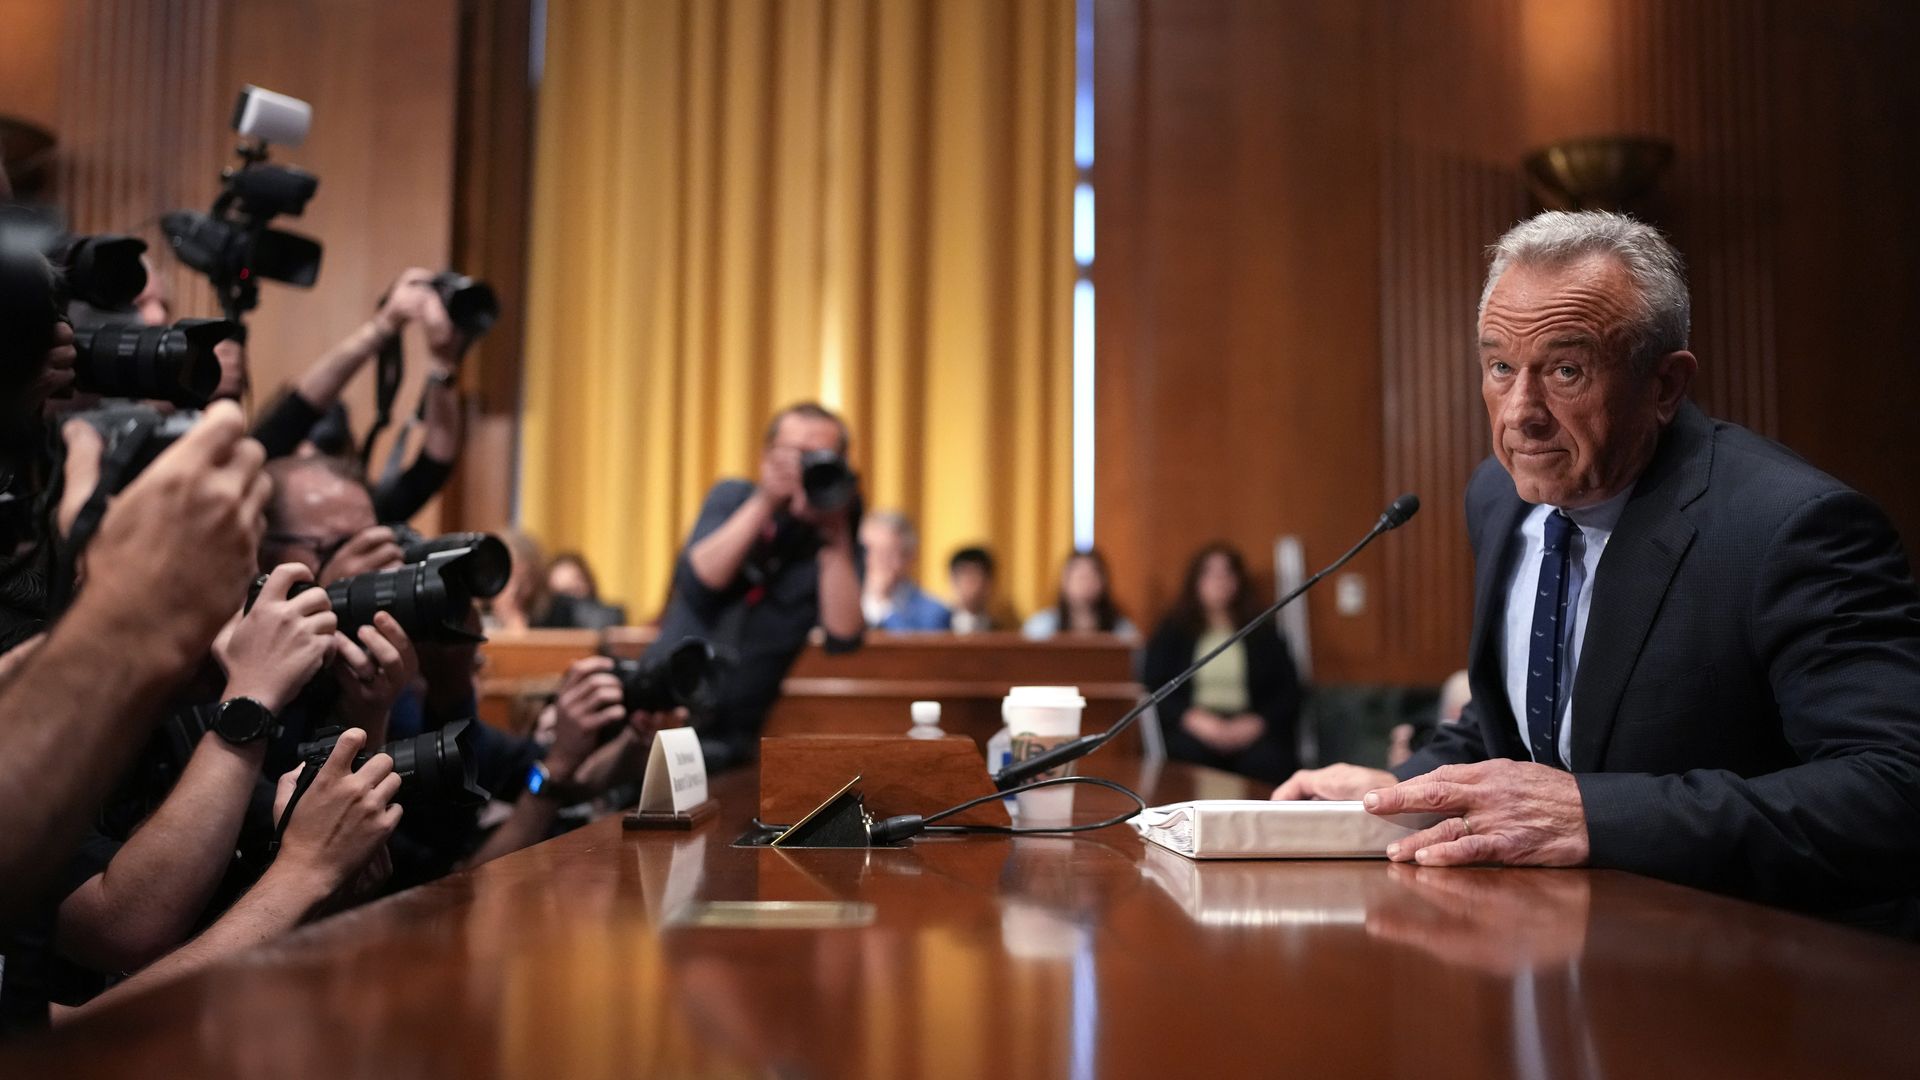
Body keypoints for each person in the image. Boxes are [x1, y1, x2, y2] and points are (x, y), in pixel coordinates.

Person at [1274, 211, 1920, 934]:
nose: (1522, 414)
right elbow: (1521, 724)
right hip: (1552, 943)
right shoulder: (1498, 497)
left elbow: (1895, 787)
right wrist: (1396, 791)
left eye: (1565, 371)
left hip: (1756, 958)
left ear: (1665, 385)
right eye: (1500, 367)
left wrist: (1598, 814)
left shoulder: (1790, 527)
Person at [649, 402, 865, 771]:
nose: (806, 467)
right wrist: (765, 500)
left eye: (821, 457)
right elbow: (700, 580)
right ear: (767, 456)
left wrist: (834, 534)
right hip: (662, 709)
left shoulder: (836, 529)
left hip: (734, 737)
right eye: (797, 453)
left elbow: (844, 635)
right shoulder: (733, 497)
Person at [250, 267, 469, 522]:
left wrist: (442, 364)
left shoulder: (361, 512)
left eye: (329, 448)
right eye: (299, 445)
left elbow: (435, 462)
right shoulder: (257, 502)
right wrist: (383, 326)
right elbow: (301, 406)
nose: (311, 455)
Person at [1143, 543, 1302, 784]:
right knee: (1184, 760)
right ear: (1195, 581)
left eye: (1226, 573)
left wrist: (1257, 723)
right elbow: (1154, 684)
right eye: (1210, 573)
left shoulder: (1262, 630)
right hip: (1195, 727)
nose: (1219, 581)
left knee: (1268, 761)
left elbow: (1289, 690)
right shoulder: (1174, 630)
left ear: (1239, 581)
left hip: (1250, 727)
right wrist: (1194, 720)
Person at [858, 510, 950, 632]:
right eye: (868, 550)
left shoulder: (934, 613)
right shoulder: (838, 602)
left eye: (887, 553)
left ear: (910, 557)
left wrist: (882, 602)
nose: (875, 560)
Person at [1022, 549, 1137, 640]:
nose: (1085, 583)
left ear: (1103, 582)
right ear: (1064, 582)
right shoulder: (1040, 628)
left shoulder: (1123, 631)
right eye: (1079, 577)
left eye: (1091, 576)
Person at [946, 546, 1014, 634]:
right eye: (966, 576)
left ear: (989, 582)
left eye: (976, 576)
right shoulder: (938, 626)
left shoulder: (1002, 632)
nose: (971, 585)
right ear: (953, 581)